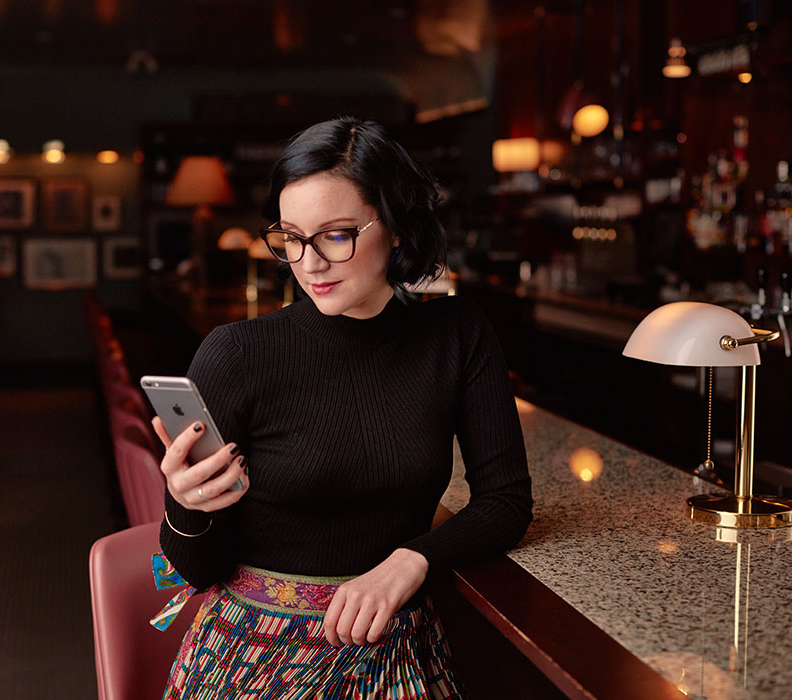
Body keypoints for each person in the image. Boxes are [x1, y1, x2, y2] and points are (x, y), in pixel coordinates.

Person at [154, 117, 533, 699]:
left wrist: (413, 560)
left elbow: (506, 502)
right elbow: (197, 569)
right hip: (253, 658)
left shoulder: (458, 333)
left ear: (398, 228)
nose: (307, 264)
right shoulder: (237, 354)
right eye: (290, 237)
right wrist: (185, 506)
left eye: (334, 235)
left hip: (399, 650)